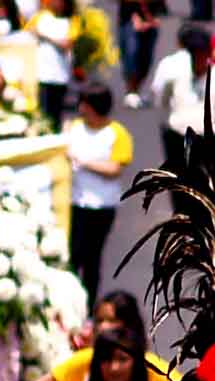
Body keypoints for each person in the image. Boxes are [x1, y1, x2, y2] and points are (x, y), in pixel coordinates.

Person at [65, 86, 133, 296]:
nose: (81, 108)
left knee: (92, 257)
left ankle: (88, 303)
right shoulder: (74, 127)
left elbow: (114, 169)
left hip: (102, 205)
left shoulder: (117, 133)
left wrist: (83, 162)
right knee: (73, 255)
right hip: (75, 201)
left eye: (85, 104)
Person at [146, 23, 215, 173]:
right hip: (187, 134)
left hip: (187, 133)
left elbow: (157, 93)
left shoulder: (169, 64)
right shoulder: (177, 70)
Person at [31, 0, 78, 128]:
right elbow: (29, 30)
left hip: (60, 74)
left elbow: (67, 44)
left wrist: (46, 37)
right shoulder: (41, 17)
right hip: (44, 73)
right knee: (44, 113)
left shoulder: (72, 21)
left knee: (57, 112)